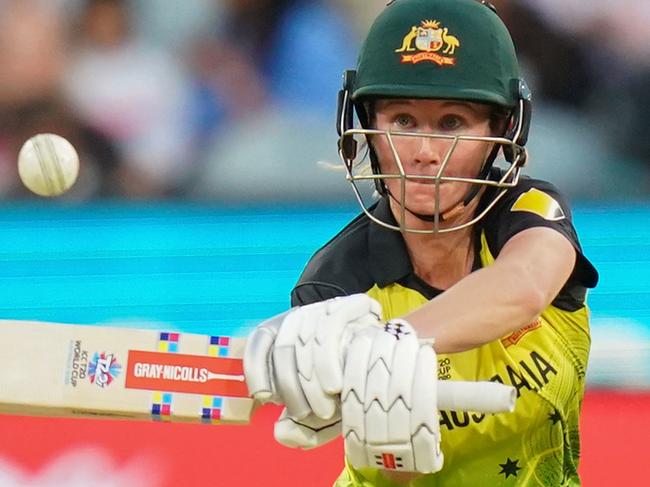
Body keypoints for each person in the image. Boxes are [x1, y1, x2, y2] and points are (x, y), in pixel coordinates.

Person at [244, 0, 599, 486]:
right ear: (366, 126)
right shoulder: (335, 284)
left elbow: (524, 286)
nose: (425, 153)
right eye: (404, 121)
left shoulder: (529, 213)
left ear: (501, 131)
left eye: (452, 122)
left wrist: (389, 344)